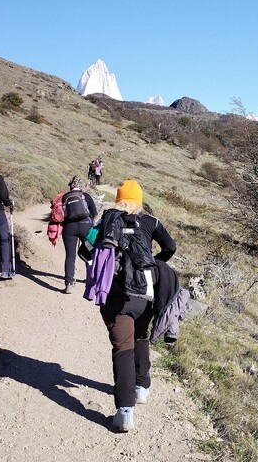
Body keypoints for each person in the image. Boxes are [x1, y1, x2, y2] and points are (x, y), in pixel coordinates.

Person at [98, 179, 176, 432]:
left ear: (118, 199)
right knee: (141, 337)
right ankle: (142, 388)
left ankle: (125, 412)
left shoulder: (109, 220)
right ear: (139, 201)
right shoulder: (151, 222)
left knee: (123, 347)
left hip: (118, 295)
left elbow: (88, 252)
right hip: (147, 292)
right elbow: (170, 247)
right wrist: (152, 263)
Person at [61, 175, 97, 293]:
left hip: (69, 228)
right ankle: (91, 279)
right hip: (85, 226)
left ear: (71, 186)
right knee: (90, 253)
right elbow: (94, 213)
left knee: (70, 256)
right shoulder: (85, 196)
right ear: (81, 185)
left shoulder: (65, 197)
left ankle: (69, 284)